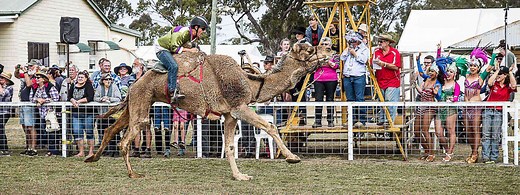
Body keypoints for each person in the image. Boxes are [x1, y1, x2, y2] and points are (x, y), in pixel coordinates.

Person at [155, 16, 209, 103]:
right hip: (162, 49)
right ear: (196, 27)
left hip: (170, 48)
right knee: (173, 66)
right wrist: (190, 50)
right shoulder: (184, 32)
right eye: (203, 29)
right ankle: (172, 91)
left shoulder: (191, 35)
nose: (204, 31)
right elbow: (174, 47)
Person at [457, 47, 492, 163]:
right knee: (468, 130)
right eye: (471, 65)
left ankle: (475, 153)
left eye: (475, 66)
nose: (472, 67)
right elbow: (451, 68)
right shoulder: (466, 75)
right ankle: (473, 151)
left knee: (475, 129)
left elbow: (489, 68)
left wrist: (495, 55)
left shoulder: (480, 77)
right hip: (466, 106)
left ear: (478, 68)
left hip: (476, 106)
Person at [482, 66, 516, 164]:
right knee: (486, 134)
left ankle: (494, 157)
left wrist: (510, 72)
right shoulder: (494, 84)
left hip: (499, 111)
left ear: (505, 75)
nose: (498, 75)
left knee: (495, 135)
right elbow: (489, 82)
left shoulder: (507, 87)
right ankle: (485, 156)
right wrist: (496, 71)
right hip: (488, 110)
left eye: (501, 74)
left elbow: (514, 85)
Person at [413, 64, 441, 162]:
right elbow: (421, 91)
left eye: (433, 71)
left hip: (430, 107)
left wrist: (435, 91)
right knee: (416, 131)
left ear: (436, 73)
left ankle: (431, 153)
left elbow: (437, 93)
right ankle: (427, 150)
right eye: (430, 71)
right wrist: (415, 83)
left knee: (425, 130)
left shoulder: (437, 83)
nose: (430, 73)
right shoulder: (426, 80)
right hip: (421, 105)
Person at [372, 34, 401, 125]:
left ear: (388, 42)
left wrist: (383, 64)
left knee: (389, 100)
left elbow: (396, 67)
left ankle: (389, 120)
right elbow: (371, 62)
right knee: (381, 100)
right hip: (380, 79)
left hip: (392, 80)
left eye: (382, 41)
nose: (379, 43)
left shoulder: (394, 52)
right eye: (379, 41)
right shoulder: (376, 51)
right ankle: (382, 119)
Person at [341, 31, 369, 128]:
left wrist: (355, 54)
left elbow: (363, 60)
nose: (352, 42)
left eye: (353, 40)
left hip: (358, 76)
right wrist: (348, 51)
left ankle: (361, 120)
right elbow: (342, 57)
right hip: (348, 76)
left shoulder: (364, 49)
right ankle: (351, 120)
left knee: (359, 98)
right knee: (350, 99)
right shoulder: (349, 48)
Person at [29, 71, 60, 156]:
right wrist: (37, 100)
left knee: (52, 132)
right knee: (46, 132)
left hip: (51, 114)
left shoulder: (50, 87)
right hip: (42, 114)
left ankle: (53, 151)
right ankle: (50, 150)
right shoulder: (36, 88)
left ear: (43, 79)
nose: (36, 79)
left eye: (38, 78)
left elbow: (56, 98)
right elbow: (31, 98)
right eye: (36, 77)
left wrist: (44, 100)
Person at [435, 59, 459, 162]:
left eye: (451, 72)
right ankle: (447, 149)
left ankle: (450, 152)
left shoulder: (455, 85)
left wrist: (452, 99)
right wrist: (436, 93)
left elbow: (456, 96)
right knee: (438, 132)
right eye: (448, 71)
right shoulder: (441, 83)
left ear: (455, 74)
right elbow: (439, 96)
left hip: (450, 109)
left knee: (450, 130)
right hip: (440, 109)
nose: (448, 73)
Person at [14, 59, 40, 156]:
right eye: (29, 66)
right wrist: (17, 69)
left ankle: (33, 148)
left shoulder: (37, 76)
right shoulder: (27, 75)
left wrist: (25, 72)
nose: (29, 67)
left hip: (30, 104)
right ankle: (28, 147)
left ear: (37, 67)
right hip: (23, 103)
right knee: (25, 126)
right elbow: (17, 76)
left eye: (31, 66)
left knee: (30, 126)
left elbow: (29, 84)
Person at [312, 37, 339, 128]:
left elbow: (337, 65)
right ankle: (317, 120)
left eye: (326, 44)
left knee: (330, 99)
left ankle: (330, 120)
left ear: (330, 45)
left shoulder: (334, 54)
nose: (324, 46)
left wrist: (331, 64)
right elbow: (312, 66)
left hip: (331, 78)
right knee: (318, 99)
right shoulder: (317, 54)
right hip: (319, 78)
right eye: (323, 44)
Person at [68, 70, 95, 157]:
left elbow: (90, 97)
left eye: (82, 77)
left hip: (88, 113)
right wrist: (73, 101)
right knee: (77, 132)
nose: (80, 79)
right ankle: (81, 152)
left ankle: (91, 152)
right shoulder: (73, 85)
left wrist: (79, 101)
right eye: (79, 77)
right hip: (76, 113)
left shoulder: (88, 86)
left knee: (89, 132)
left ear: (86, 78)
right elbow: (69, 96)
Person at [94, 73, 122, 157]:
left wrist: (109, 98)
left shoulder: (114, 87)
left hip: (112, 115)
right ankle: (105, 150)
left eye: (110, 79)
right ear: (103, 81)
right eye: (106, 79)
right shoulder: (99, 88)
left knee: (113, 132)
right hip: (102, 114)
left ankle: (114, 151)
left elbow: (118, 98)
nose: (108, 81)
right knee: (103, 132)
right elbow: (95, 97)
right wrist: (101, 99)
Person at [0, 72, 14, 156]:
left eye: (2, 78)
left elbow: (3, 93)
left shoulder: (9, 88)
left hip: (4, 112)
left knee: (1, 129)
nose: (0, 78)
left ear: (7, 80)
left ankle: (4, 149)